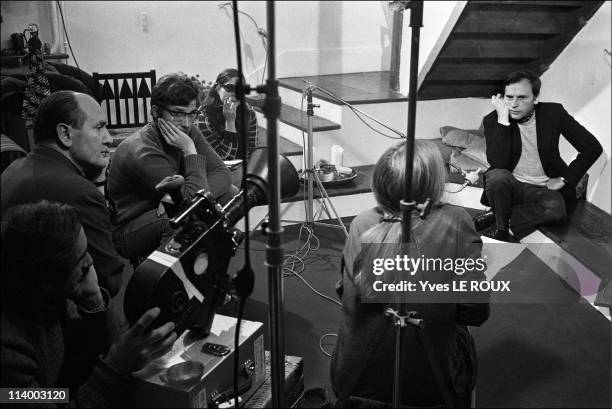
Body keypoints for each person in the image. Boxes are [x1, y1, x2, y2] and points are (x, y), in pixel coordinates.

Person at [331, 140, 490, 408]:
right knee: (460, 332)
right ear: (433, 183)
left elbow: (344, 292)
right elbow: (476, 311)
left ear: (381, 182)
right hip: (430, 392)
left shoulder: (361, 223)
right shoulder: (457, 221)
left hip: (353, 383)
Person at [1, 200, 177, 407]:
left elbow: (59, 392)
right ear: (45, 282)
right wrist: (115, 366)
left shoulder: (54, 296)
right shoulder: (9, 354)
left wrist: (94, 301)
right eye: (81, 262)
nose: (90, 263)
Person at [1, 90, 124, 297]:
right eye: (99, 127)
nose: (109, 139)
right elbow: (110, 281)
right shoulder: (77, 191)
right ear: (65, 134)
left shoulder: (14, 167)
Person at [107, 72, 235, 264]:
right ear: (156, 112)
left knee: (229, 194)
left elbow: (223, 174)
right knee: (180, 218)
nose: (185, 123)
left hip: (166, 210)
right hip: (130, 230)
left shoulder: (188, 131)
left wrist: (184, 195)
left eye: (192, 114)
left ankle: (208, 270)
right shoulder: (143, 150)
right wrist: (189, 150)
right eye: (176, 113)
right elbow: (190, 204)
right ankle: (167, 281)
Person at [473, 69, 603, 242]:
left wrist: (565, 179)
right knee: (496, 176)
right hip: (510, 184)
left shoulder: (554, 113)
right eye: (509, 97)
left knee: (556, 210)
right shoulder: (494, 119)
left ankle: (499, 216)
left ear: (535, 99)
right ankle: (501, 229)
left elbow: (592, 147)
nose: (513, 104)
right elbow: (498, 162)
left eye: (522, 97)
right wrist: (503, 120)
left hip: (543, 187)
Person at [201, 68, 259, 162]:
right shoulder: (204, 117)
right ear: (217, 88)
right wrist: (230, 122)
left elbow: (252, 149)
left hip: (242, 169)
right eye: (230, 88)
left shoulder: (248, 111)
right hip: (215, 170)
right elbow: (222, 160)